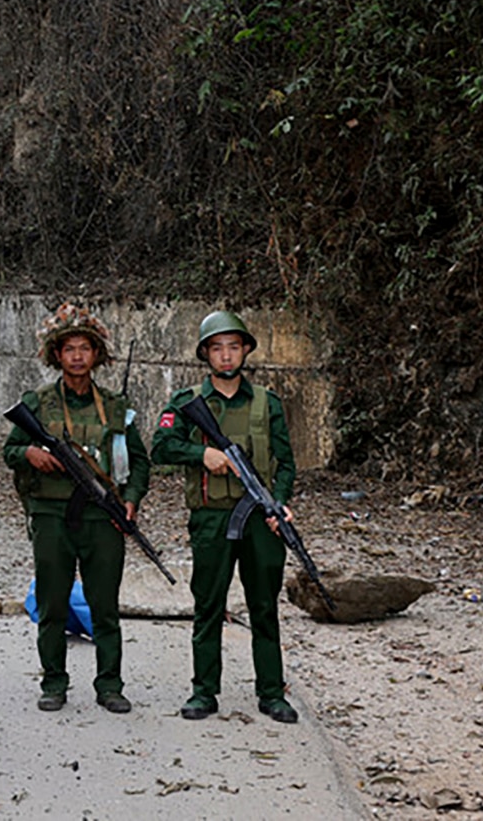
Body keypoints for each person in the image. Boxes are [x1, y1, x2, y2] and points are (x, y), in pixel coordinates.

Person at [150, 309, 302, 724]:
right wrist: (202, 454)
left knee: (264, 606)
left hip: (260, 519)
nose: (226, 356)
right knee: (209, 605)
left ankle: (271, 691)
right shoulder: (187, 403)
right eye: (217, 348)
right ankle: (204, 691)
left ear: (246, 350)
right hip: (212, 520)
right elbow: (160, 447)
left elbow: (285, 463)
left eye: (234, 347)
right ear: (205, 354)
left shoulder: (267, 403)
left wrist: (280, 503)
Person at [3, 302, 150, 713]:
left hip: (103, 517)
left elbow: (139, 462)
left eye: (85, 348)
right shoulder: (39, 402)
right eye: (69, 349)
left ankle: (110, 686)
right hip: (51, 516)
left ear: (96, 355)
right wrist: (31, 452)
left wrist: (132, 500)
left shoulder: (116, 407)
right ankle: (53, 683)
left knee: (105, 605)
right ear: (57, 355)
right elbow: (10, 449)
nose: (78, 356)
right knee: (52, 603)